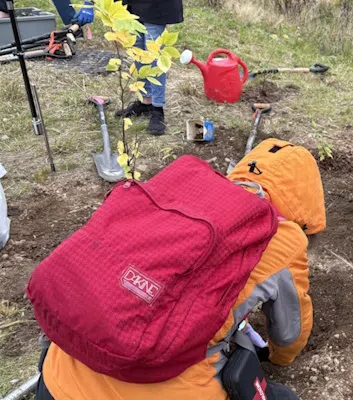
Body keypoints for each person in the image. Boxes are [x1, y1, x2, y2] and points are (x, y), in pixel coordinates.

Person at [33, 141, 324, 400]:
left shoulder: (182, 193)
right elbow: (289, 334)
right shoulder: (282, 237)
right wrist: (279, 359)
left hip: (56, 380)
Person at [114, 0, 184, 135]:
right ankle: (146, 101)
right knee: (138, 51)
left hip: (157, 6)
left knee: (154, 56)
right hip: (134, 6)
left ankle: (158, 108)